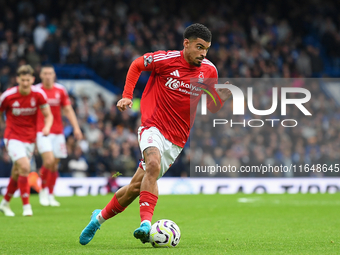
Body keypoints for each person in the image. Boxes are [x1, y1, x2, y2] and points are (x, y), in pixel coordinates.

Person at [79, 23, 231, 245]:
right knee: (152, 163)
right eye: (199, 47)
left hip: (177, 139)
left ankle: (98, 219)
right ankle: (146, 225)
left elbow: (210, 106)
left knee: (133, 189)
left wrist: (221, 100)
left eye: (206, 48)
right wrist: (127, 96)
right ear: (186, 43)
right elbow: (137, 64)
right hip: (153, 125)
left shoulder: (209, 71)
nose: (203, 53)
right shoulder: (166, 60)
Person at [0, 65, 53, 216]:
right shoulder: (8, 96)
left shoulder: (38, 94)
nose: (25, 83)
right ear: (17, 79)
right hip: (12, 137)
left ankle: (4, 203)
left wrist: (47, 127)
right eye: (22, 80)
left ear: (32, 80)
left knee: (17, 172)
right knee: (24, 167)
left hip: (30, 139)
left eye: (27, 80)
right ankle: (26, 207)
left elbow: (48, 115)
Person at [36, 65, 83, 206]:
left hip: (58, 132)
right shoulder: (37, 91)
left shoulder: (60, 90)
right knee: (48, 161)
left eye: (50, 73)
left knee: (55, 165)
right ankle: (43, 191)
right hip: (42, 131)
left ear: (54, 75)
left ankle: (50, 194)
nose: (48, 76)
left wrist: (76, 128)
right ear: (41, 75)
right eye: (45, 73)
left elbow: (68, 109)